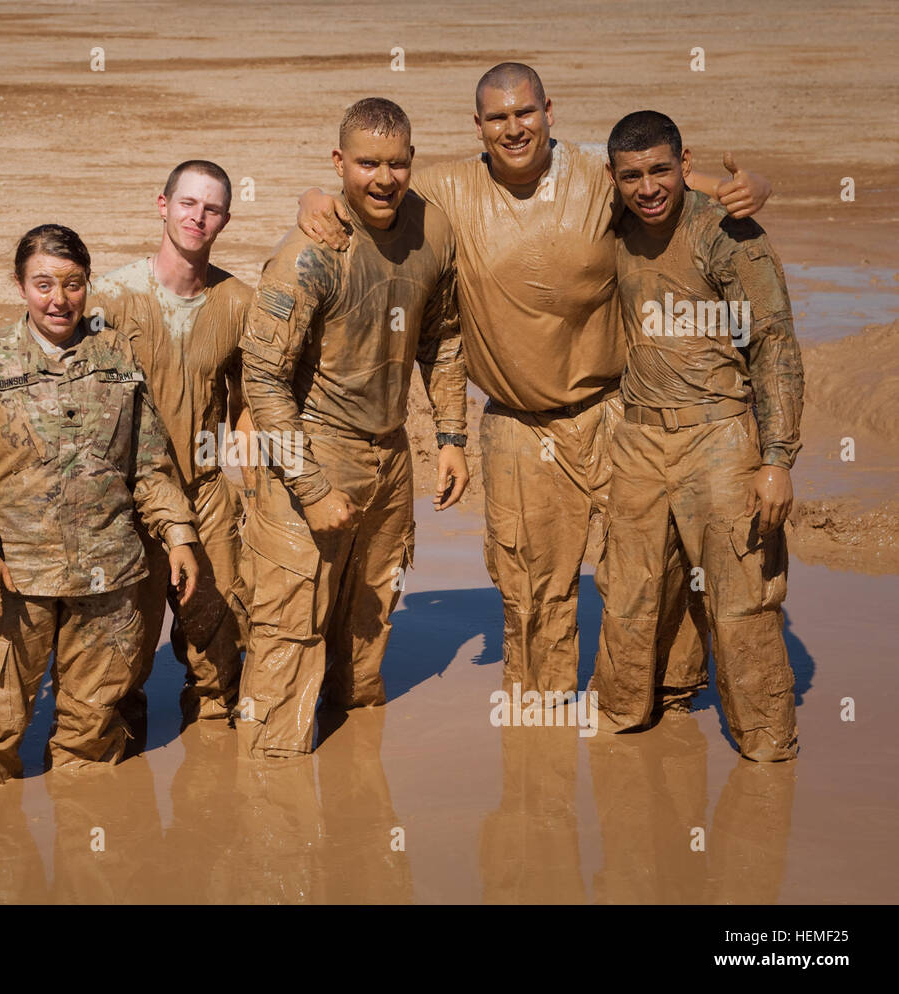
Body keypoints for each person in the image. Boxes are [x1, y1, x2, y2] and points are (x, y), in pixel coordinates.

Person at [297, 64, 776, 709]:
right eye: (497, 118)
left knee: (650, 571)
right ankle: (541, 716)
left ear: (549, 110)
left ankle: (657, 702)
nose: (513, 128)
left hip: (614, 412)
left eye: (525, 113)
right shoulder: (447, 191)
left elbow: (669, 184)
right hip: (516, 426)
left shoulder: (597, 179)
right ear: (478, 127)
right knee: (529, 587)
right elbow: (371, 190)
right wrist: (314, 198)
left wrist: (742, 187)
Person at [0, 224, 201, 784]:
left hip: (108, 580)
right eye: (43, 283)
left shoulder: (119, 361)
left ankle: (87, 852)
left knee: (92, 736)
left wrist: (179, 534)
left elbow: (150, 464)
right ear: (20, 285)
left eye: (73, 285)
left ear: (87, 285)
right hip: (13, 580)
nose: (59, 299)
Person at [237, 97, 469, 760]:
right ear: (340, 163)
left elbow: (444, 338)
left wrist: (450, 437)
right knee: (289, 630)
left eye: (397, 163)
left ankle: (356, 807)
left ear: (412, 162)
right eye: (368, 163)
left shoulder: (435, 231)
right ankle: (269, 797)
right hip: (310, 449)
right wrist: (309, 486)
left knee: (368, 640)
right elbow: (263, 380)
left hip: (390, 457)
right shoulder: (312, 250)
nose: (384, 178)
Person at [591, 111, 803, 761]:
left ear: (685, 165)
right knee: (630, 591)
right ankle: (636, 711)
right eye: (632, 175)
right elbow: (527, 172)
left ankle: (766, 741)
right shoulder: (610, 221)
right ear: (613, 177)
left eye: (662, 170)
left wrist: (777, 459)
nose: (647, 187)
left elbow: (774, 347)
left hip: (721, 437)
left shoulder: (728, 232)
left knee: (741, 599)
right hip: (638, 437)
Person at [86, 160, 253, 739]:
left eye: (211, 209)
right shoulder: (106, 296)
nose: (197, 217)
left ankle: (209, 740)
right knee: (117, 646)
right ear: (163, 205)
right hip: (125, 498)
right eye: (187, 204)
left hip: (205, 490)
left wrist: (252, 483)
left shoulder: (238, 303)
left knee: (219, 636)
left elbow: (249, 403)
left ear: (224, 220)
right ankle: (116, 751)